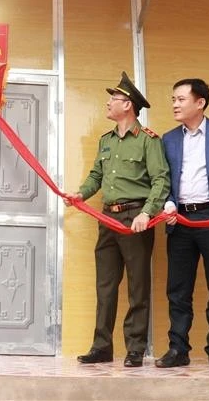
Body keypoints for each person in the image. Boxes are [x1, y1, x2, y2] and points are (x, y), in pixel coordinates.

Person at [63, 72, 170, 367]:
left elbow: (161, 180)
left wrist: (148, 213)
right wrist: (80, 195)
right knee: (105, 286)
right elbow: (96, 175)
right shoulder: (106, 141)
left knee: (137, 286)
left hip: (136, 218)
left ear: (129, 105)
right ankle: (102, 346)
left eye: (114, 99)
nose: (108, 104)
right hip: (108, 220)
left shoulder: (148, 141)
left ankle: (135, 348)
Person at [156, 79, 209, 372]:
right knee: (178, 289)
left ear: (200, 102)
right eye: (173, 99)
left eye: (181, 99)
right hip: (179, 221)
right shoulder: (167, 139)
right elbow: (163, 180)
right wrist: (167, 202)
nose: (175, 105)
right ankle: (177, 348)